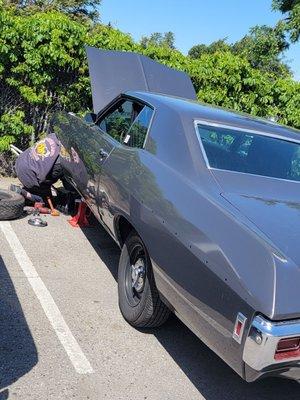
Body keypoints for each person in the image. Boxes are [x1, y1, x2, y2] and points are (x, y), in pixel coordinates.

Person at [13, 133, 64, 206]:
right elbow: (46, 180)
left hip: (20, 163)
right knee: (48, 203)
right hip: (30, 175)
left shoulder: (54, 136)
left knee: (42, 186)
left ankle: (31, 190)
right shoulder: (63, 158)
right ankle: (23, 192)